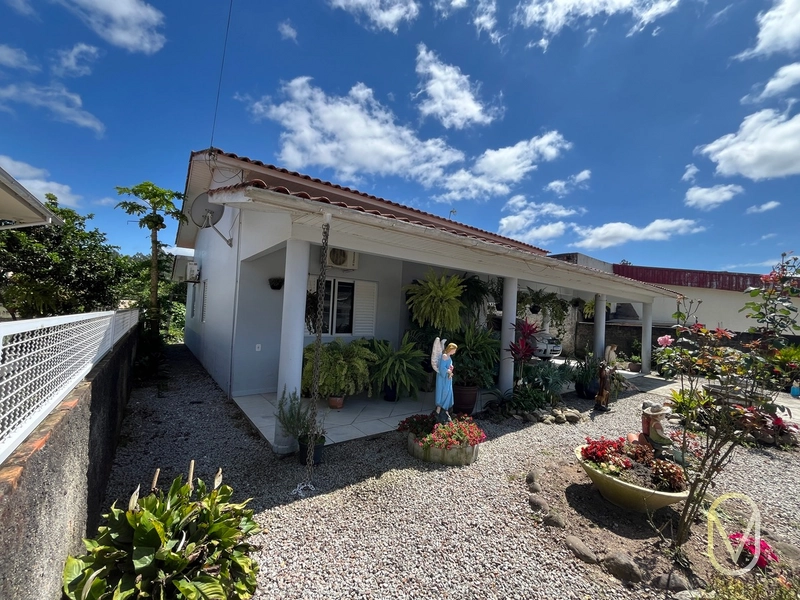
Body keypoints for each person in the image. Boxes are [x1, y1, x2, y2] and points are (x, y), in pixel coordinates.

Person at [434, 342, 457, 423]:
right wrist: (448, 371)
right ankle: (439, 410)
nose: (455, 351)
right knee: (444, 392)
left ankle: (445, 410)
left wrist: (450, 370)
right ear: (450, 349)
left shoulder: (449, 356)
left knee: (448, 392)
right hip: (443, 378)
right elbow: (441, 368)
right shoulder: (444, 356)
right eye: (454, 350)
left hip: (447, 378)